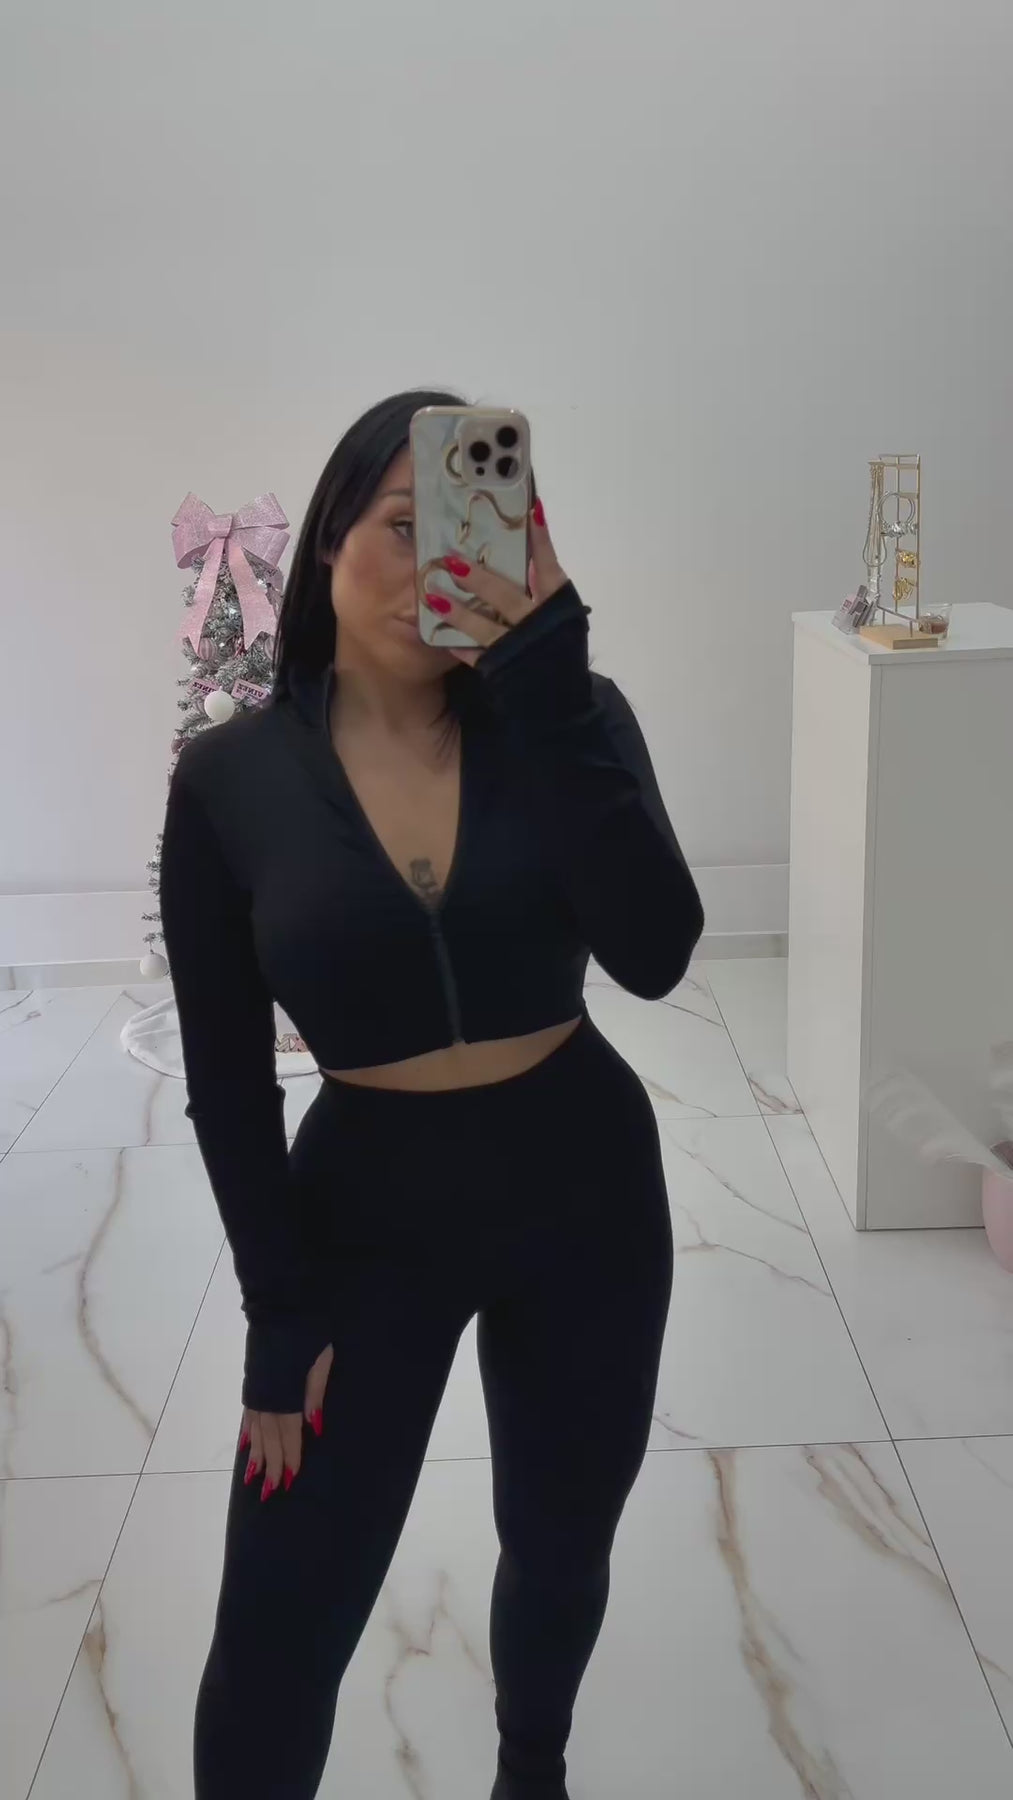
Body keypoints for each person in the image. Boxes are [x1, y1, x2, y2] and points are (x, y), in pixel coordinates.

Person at [159, 389, 704, 1800]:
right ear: (328, 538)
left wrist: (550, 673)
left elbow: (654, 954)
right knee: (276, 1632)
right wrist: (276, 1316)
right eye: (405, 527)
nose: (435, 564)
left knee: (561, 1544)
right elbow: (226, 1080)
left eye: (474, 525)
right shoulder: (228, 781)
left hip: (584, 1191)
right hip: (363, 1221)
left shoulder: (570, 719)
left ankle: (533, 1772)